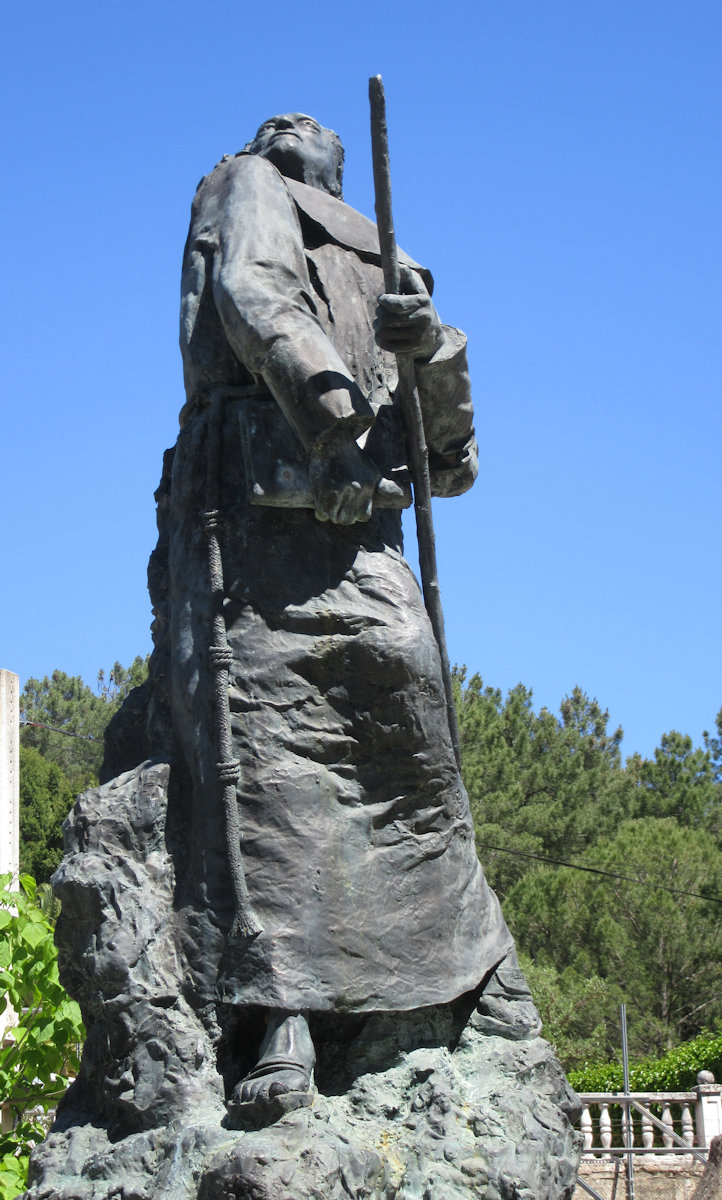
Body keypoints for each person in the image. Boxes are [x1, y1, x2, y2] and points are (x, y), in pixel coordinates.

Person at [166, 112, 517, 1127]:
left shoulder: (389, 251)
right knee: (271, 757)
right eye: (283, 124)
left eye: (313, 125)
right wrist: (337, 427)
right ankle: (280, 1017)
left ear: (344, 166)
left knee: (413, 731)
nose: (295, 127)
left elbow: (449, 464)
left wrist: (429, 353)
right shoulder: (245, 186)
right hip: (258, 517)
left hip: (366, 534)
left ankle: (447, 992)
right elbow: (252, 296)